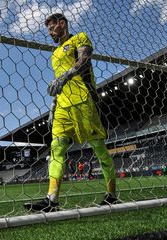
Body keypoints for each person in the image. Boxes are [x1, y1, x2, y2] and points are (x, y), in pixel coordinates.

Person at [24, 13, 118, 212]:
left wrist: (66, 76)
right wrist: (53, 107)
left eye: (51, 28)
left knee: (99, 149)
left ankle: (111, 194)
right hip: (62, 108)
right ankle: (52, 200)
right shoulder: (55, 53)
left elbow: (84, 59)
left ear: (62, 23)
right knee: (56, 149)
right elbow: (58, 84)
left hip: (84, 101)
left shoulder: (79, 38)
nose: (49, 32)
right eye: (48, 29)